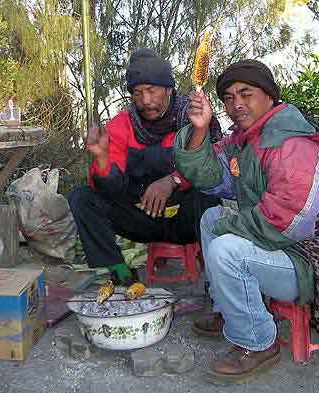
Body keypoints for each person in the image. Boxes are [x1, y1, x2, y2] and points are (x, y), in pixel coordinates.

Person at [174, 59, 319, 384]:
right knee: (212, 216)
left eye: (245, 93)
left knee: (226, 248)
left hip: (306, 261)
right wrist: (199, 131)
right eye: (227, 97)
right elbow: (209, 177)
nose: (236, 104)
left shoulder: (292, 145)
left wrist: (230, 231)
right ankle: (230, 310)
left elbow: (285, 221)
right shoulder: (244, 141)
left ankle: (258, 343)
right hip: (276, 249)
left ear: (268, 95)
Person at [69, 48, 222, 286]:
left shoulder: (191, 116)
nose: (145, 101)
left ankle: (218, 289)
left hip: (186, 219)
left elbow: (213, 164)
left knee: (209, 200)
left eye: (151, 91)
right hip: (140, 219)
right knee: (82, 198)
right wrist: (100, 158)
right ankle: (120, 272)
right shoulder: (121, 125)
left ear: (168, 89)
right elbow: (112, 190)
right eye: (137, 93)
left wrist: (172, 181)